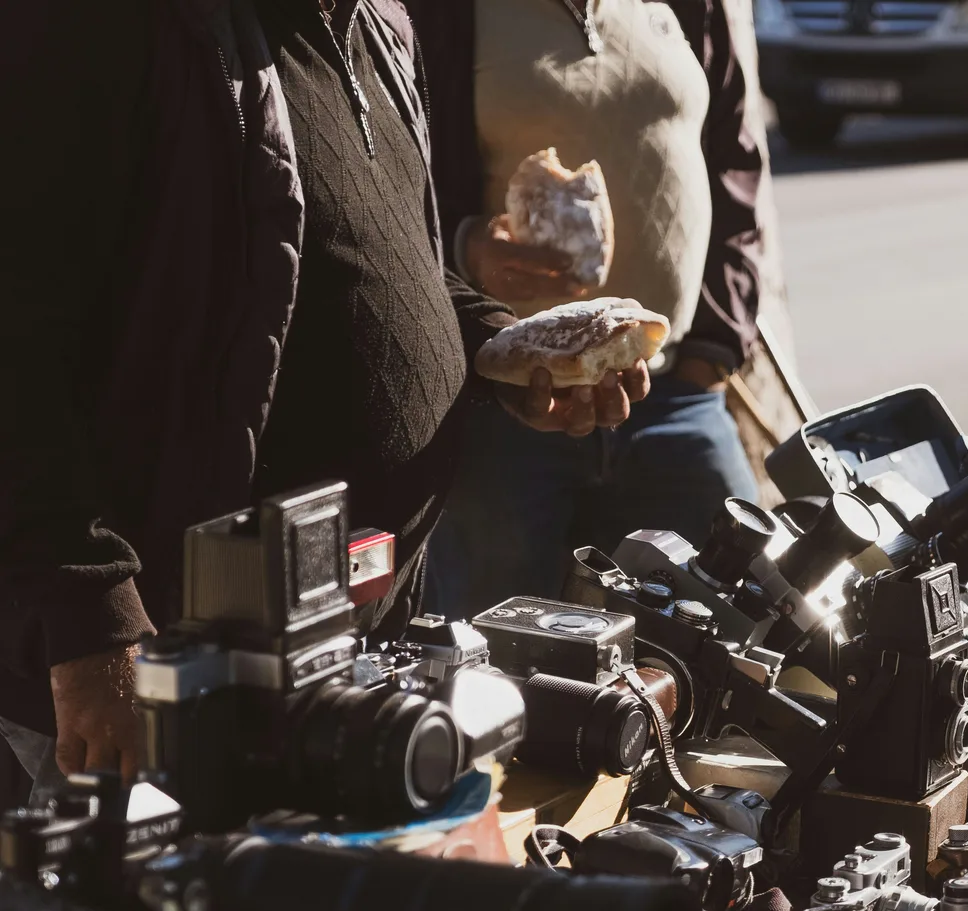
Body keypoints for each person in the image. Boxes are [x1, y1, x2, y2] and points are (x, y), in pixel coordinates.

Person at [0, 0, 648, 801]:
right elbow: (18, 347)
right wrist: (93, 616)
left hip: (342, 651)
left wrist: (506, 349)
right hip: (157, 668)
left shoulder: (378, 21)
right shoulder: (107, 26)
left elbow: (387, 259)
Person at [413, 0, 765, 622]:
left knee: (742, 623)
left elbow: (735, 164)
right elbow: (400, 181)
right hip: (508, 413)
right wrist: (465, 245)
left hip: (677, 399)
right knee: (498, 647)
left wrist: (715, 350)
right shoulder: (440, 12)